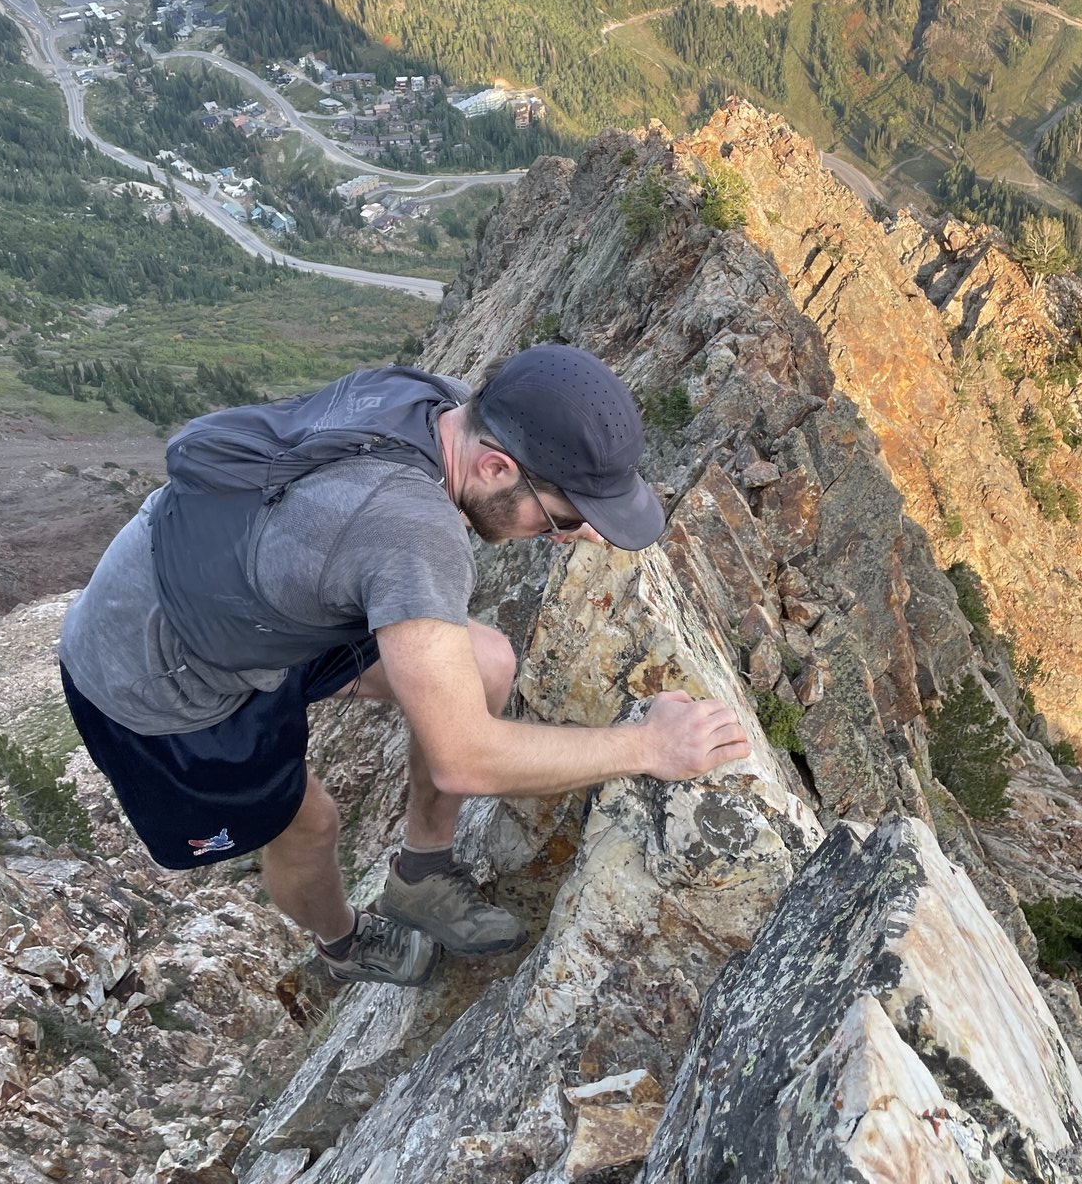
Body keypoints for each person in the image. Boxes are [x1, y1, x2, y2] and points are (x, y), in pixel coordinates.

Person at [59, 345, 750, 987]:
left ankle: (420, 875)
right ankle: (342, 944)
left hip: (261, 592)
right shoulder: (412, 533)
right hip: (160, 680)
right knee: (310, 824)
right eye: (565, 518)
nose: (577, 536)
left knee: (485, 663)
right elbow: (465, 760)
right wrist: (649, 747)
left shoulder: (439, 403)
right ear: (494, 468)